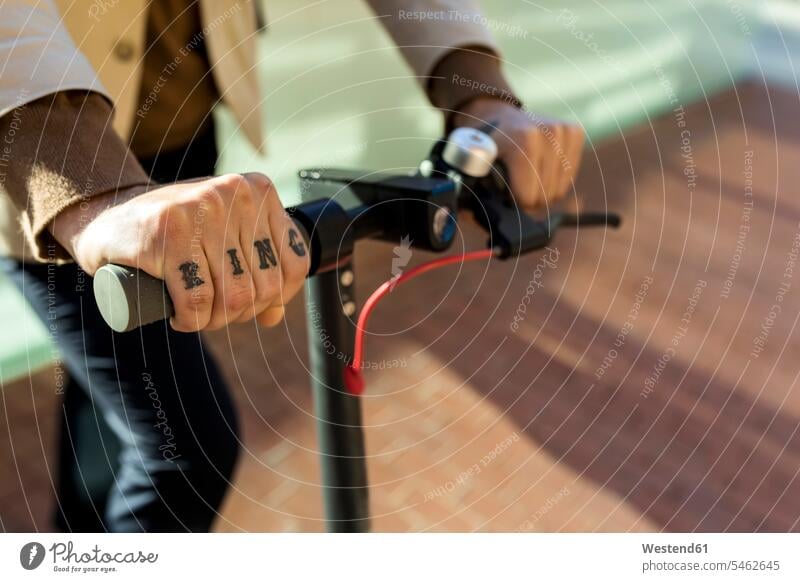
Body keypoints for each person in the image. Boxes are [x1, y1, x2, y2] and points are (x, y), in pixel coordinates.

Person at [0, 0, 584, 532]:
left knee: (119, 396)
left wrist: (478, 91)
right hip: (49, 166)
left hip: (186, 126)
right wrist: (84, 182)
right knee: (187, 446)